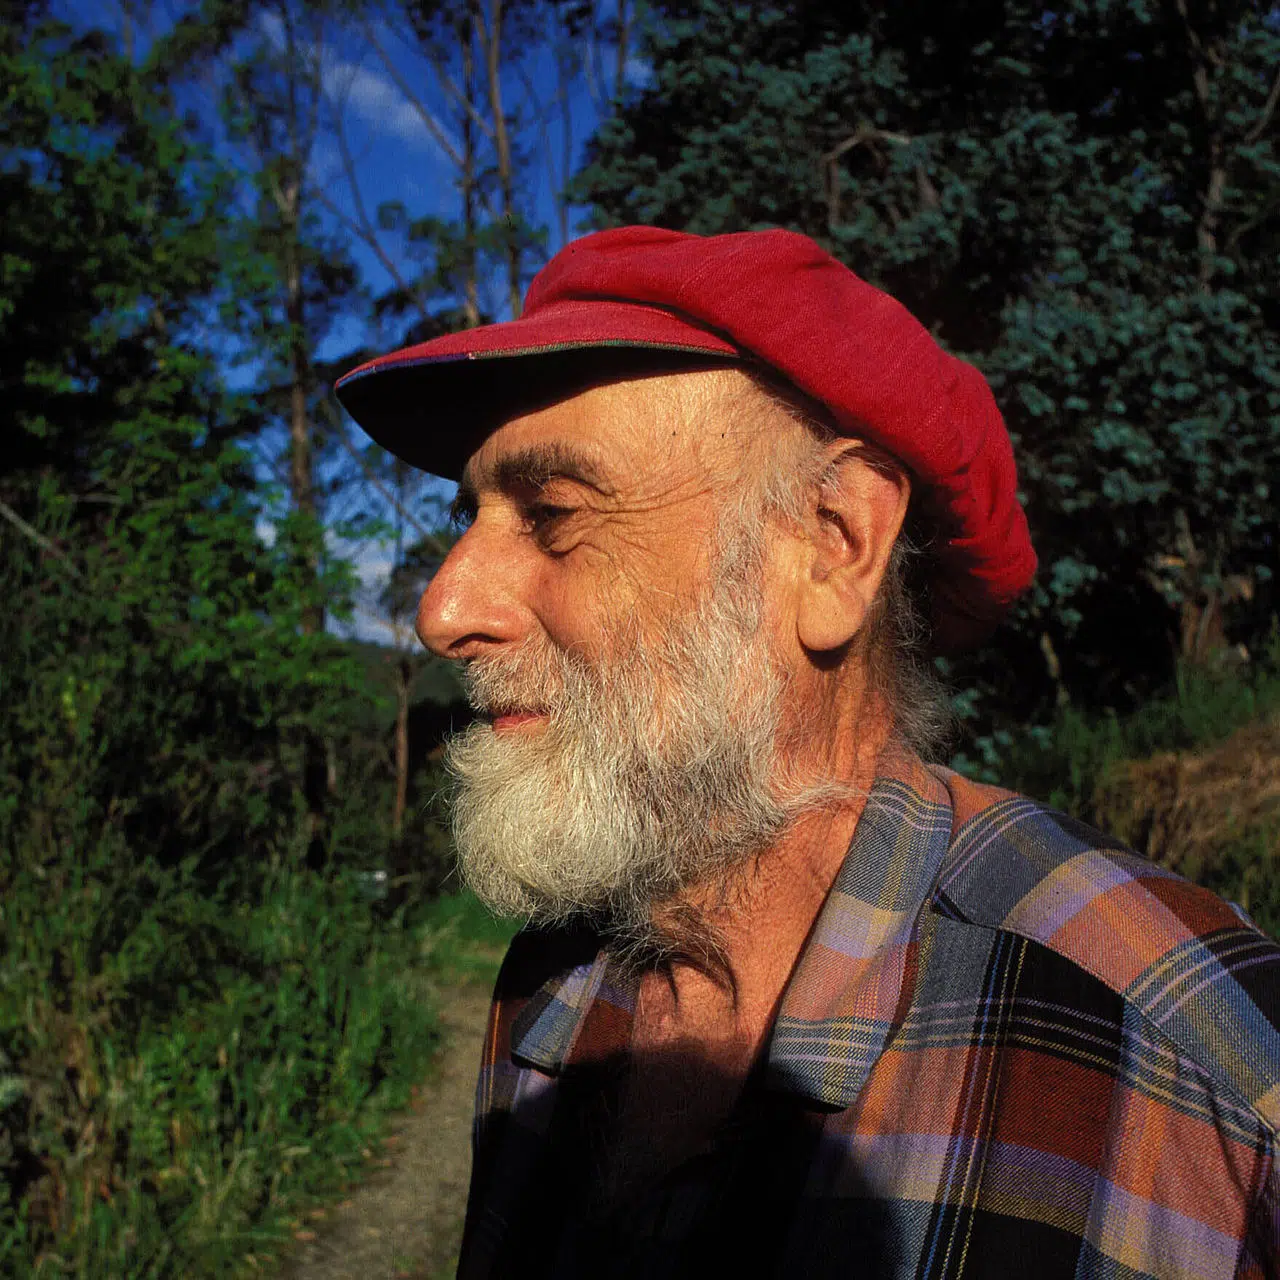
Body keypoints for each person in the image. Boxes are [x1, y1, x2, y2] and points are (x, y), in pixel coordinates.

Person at [336, 226, 1280, 1279]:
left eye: (552, 514)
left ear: (833, 544)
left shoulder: (1199, 1065)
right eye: (470, 514)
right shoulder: (552, 979)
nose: (443, 605)